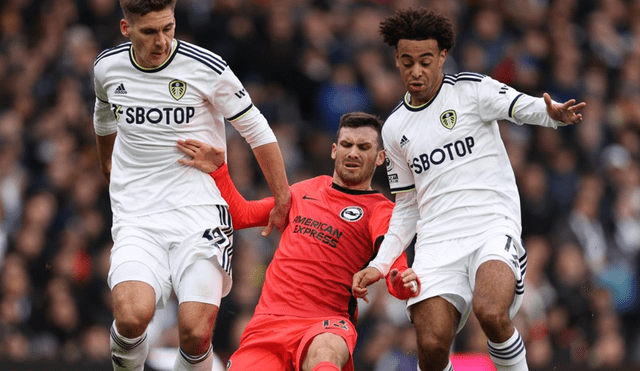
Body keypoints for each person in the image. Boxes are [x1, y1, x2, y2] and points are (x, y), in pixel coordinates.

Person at [351, 7, 586, 371]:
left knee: (491, 313)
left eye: (426, 61)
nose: (416, 71)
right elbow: (407, 206)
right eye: (407, 61)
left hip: (491, 225)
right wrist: (380, 264)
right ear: (396, 60)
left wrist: (551, 114)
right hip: (437, 242)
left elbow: (521, 105)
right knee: (430, 346)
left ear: (442, 56)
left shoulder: (470, 90)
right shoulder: (395, 128)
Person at [92, 1, 291, 370]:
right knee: (132, 317)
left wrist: (282, 195)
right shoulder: (107, 67)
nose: (162, 41)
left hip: (199, 212)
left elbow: (256, 129)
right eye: (149, 31)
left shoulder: (207, 68)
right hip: (138, 216)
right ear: (126, 28)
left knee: (196, 333)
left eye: (168, 28)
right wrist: (108, 165)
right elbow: (104, 113)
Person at [176, 111, 420, 371]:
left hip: (326, 324)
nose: (353, 153)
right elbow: (242, 215)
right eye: (347, 145)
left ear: (381, 157)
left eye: (364, 147)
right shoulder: (305, 190)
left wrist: (401, 283)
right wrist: (219, 171)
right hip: (269, 323)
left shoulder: (380, 210)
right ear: (334, 150)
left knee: (325, 355)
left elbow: (396, 270)